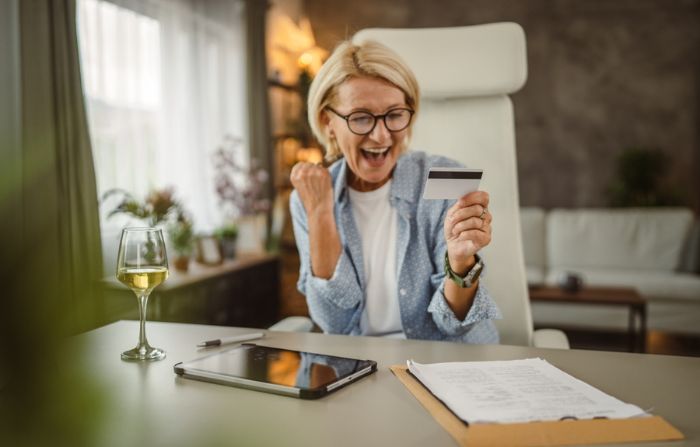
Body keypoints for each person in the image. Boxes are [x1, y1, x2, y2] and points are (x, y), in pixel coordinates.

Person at [289, 39, 500, 343]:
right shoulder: (308, 197)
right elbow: (334, 323)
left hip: (449, 361)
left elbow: (455, 325)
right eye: (361, 117)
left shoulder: (445, 177)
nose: (381, 134)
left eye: (395, 114)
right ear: (328, 121)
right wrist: (321, 212)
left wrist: (460, 262)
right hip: (364, 368)